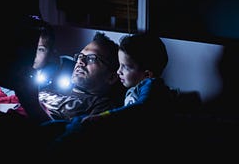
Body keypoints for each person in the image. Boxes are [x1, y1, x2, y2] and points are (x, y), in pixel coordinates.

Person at [46, 33, 177, 155]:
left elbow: (140, 108)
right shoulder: (134, 89)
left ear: (147, 74)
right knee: (55, 126)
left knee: (75, 126)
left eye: (92, 59)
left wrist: (103, 117)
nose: (119, 71)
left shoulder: (152, 86)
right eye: (80, 57)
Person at [0, 31, 124, 123]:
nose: (80, 62)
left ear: (111, 77)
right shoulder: (55, 87)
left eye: (91, 59)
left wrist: (32, 105)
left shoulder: (102, 106)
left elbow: (65, 139)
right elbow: (11, 100)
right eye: (80, 56)